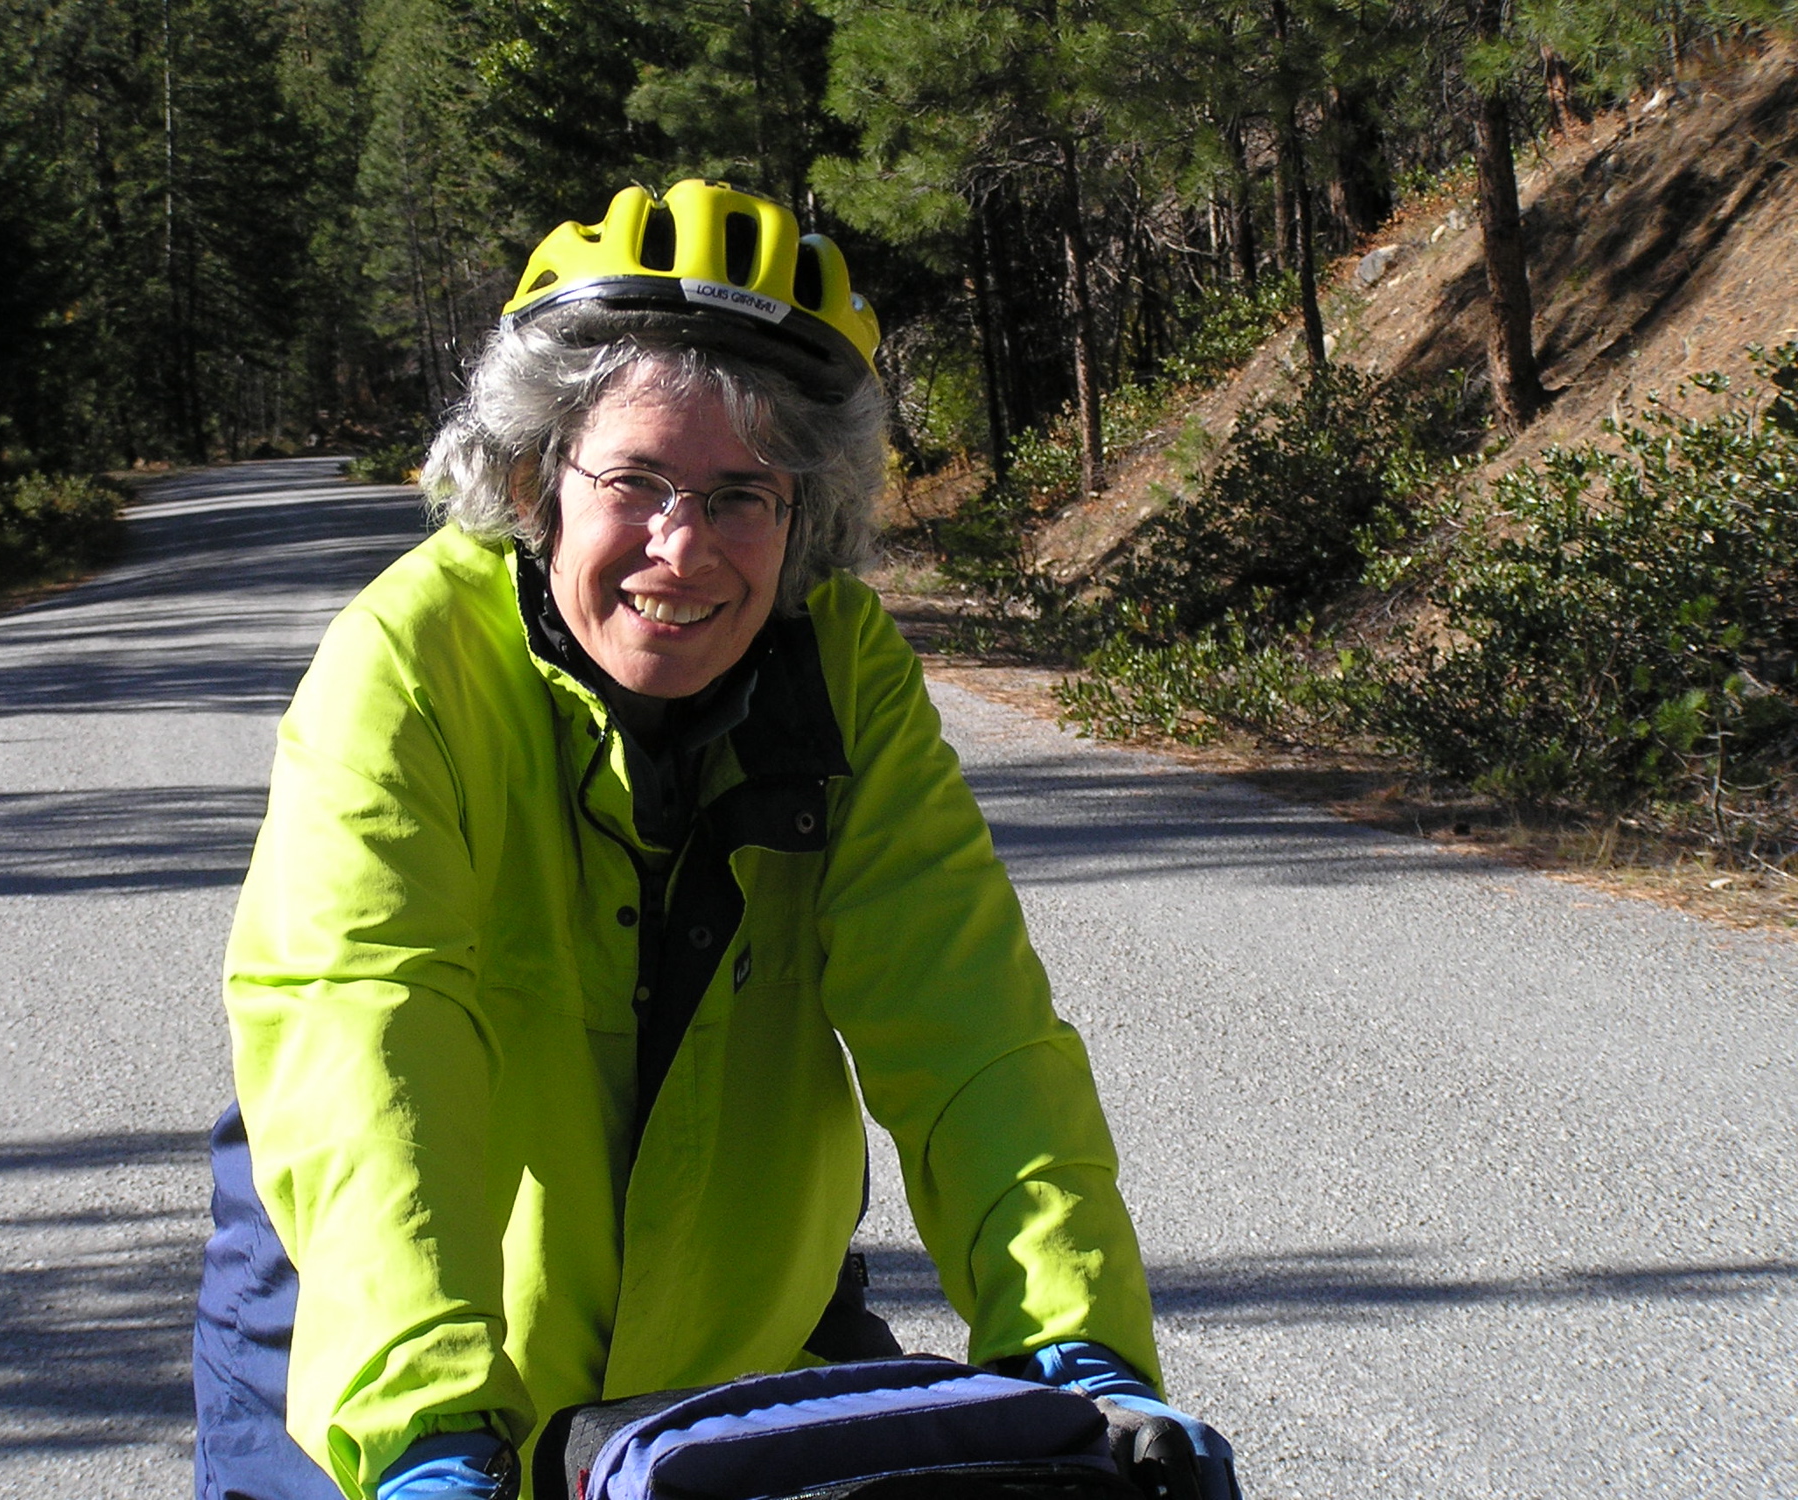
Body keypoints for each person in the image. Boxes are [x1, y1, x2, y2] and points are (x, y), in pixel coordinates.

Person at [192, 179, 1239, 1500]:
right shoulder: (408, 664)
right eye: (636, 480)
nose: (682, 549)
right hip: (369, 1345)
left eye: (743, 493)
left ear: (807, 514)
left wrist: (1076, 1351)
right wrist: (426, 1435)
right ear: (534, 478)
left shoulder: (842, 671)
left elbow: (970, 1030)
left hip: (736, 1326)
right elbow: (363, 1024)